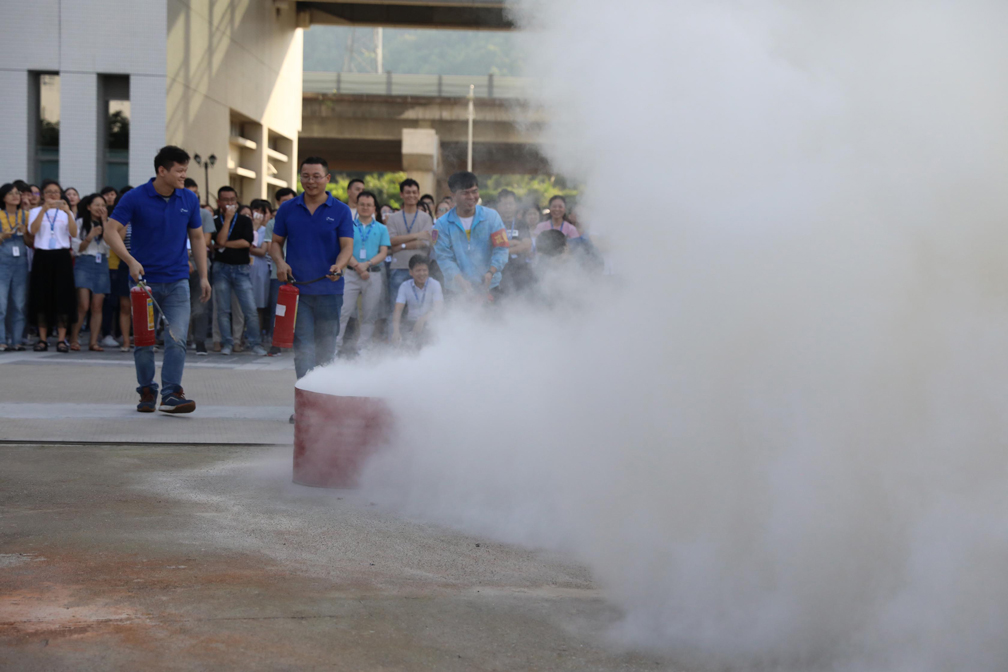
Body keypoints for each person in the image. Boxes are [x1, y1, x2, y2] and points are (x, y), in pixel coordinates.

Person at [104, 145, 210, 413]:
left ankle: (172, 393)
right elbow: (111, 231)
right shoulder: (135, 197)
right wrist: (129, 260)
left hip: (177, 282)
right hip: (143, 284)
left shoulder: (188, 199)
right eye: (179, 170)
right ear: (162, 170)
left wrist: (204, 275)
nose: (184, 175)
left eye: (186, 170)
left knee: (177, 338)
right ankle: (147, 390)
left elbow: (197, 237)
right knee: (144, 341)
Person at [270, 157, 353, 414]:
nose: (310, 181)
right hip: (298, 293)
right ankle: (305, 406)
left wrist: (339, 266)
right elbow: (275, 243)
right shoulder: (288, 209)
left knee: (327, 349)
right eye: (305, 176)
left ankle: (324, 404)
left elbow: (347, 246)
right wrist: (280, 263)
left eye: (316, 176)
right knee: (303, 349)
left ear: (327, 179)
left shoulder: (340, 210)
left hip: (330, 291)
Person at [432, 171, 509, 298]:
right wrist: (460, 281)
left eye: (474, 191)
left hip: (490, 286)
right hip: (457, 290)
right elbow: (444, 257)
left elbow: (501, 248)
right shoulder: (442, 224)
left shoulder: (492, 217)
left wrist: (491, 272)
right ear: (453, 195)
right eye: (465, 193)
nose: (471, 197)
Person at [212, 187, 264, 356]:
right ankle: (227, 343)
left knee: (249, 308)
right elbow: (217, 240)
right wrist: (227, 220)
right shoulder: (216, 220)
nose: (229, 203)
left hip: (241, 269)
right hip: (221, 269)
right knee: (223, 310)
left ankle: (255, 343)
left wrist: (224, 243)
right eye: (226, 200)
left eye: (232, 200)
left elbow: (246, 243)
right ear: (219, 202)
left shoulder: (244, 220)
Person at [335, 190, 389, 353]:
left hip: (373, 274)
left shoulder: (381, 228)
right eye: (362, 204)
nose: (365, 208)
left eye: (369, 205)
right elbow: (343, 248)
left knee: (369, 314)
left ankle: (363, 349)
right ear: (356, 206)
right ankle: (335, 348)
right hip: (351, 273)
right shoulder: (347, 225)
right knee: (343, 311)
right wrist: (358, 266)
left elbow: (383, 252)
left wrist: (367, 264)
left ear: (374, 208)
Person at [28, 180, 77, 352]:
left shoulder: (65, 212)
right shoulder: (34, 211)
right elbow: (33, 231)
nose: (52, 195)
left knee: (62, 297)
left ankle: (62, 340)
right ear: (42, 194)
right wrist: (43, 210)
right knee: (41, 297)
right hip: (42, 256)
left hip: (62, 256)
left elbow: (73, 233)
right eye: (49, 192)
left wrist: (68, 212)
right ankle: (42, 339)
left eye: (56, 192)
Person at [386, 178, 434, 315]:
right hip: (398, 268)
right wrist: (417, 235)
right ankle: (394, 335)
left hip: (421, 269)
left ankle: (417, 337)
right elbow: (390, 241)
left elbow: (425, 242)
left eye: (414, 192)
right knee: (395, 309)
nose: (411, 195)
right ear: (401, 194)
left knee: (421, 309)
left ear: (418, 194)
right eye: (407, 192)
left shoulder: (426, 218)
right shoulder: (393, 218)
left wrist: (400, 245)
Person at [70, 194, 111, 351]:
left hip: (102, 264)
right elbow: (76, 248)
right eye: (97, 205)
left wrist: (105, 222)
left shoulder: (107, 224)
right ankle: (74, 338)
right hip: (84, 262)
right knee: (83, 305)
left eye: (103, 205)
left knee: (97, 306)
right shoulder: (79, 223)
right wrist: (90, 236)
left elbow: (110, 245)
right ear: (88, 207)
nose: (100, 208)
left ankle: (93, 342)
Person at [183, 178, 213, 354]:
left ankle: (200, 340)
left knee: (201, 302)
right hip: (178, 262)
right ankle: (178, 338)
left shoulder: (204, 214)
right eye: (189, 193)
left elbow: (206, 240)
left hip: (199, 261)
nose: (193, 197)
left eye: (195, 193)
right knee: (177, 303)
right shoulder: (175, 210)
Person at [391, 255, 443, 348]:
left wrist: (422, 320)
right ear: (411, 272)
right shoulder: (404, 286)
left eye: (424, 270)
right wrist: (396, 331)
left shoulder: (435, 284)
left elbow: (438, 308)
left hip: (430, 324)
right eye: (418, 270)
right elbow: (397, 310)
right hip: (411, 325)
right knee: (403, 348)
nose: (422, 274)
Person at [0, 183, 29, 351]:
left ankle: (16, 340)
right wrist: (2, 236)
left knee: (19, 303)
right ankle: (1, 339)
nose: (15, 196)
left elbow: (31, 243)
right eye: (10, 194)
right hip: (2, 261)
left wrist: (25, 232)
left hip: (20, 262)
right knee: (1, 303)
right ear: (3, 197)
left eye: (17, 193)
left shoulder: (25, 215)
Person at [105, 189, 134, 352]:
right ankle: (125, 341)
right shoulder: (122, 221)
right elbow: (118, 241)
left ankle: (143, 339)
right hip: (126, 264)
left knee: (144, 305)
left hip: (145, 264)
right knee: (124, 305)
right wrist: (125, 222)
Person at [495, 189, 535, 294]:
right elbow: (491, 246)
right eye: (504, 204)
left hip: (520, 270)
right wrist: (515, 243)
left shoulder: (521, 224)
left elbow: (526, 246)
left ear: (516, 206)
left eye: (510, 204)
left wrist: (503, 250)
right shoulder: (492, 223)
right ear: (498, 206)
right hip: (498, 272)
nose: (507, 207)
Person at [249, 199, 272, 340]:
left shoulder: (268, 230)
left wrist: (245, 246)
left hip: (261, 269)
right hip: (246, 268)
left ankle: (258, 335)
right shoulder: (246, 227)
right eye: (256, 211)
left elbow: (262, 251)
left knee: (259, 304)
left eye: (263, 212)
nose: (259, 215)